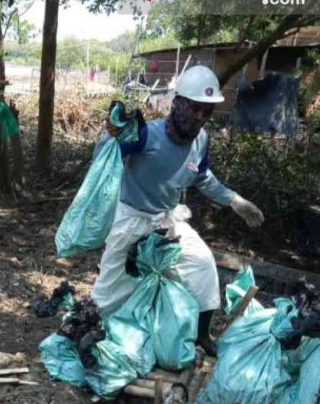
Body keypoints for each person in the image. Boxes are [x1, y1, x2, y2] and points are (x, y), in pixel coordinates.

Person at [91, 65, 264, 355]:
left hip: (167, 219)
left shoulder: (201, 141)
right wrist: (111, 135)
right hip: (132, 218)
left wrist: (234, 201)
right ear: (178, 103)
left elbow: (202, 177)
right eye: (195, 109)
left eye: (207, 112)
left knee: (203, 266)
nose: (199, 118)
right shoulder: (146, 135)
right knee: (112, 288)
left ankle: (201, 335)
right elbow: (103, 160)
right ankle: (91, 328)